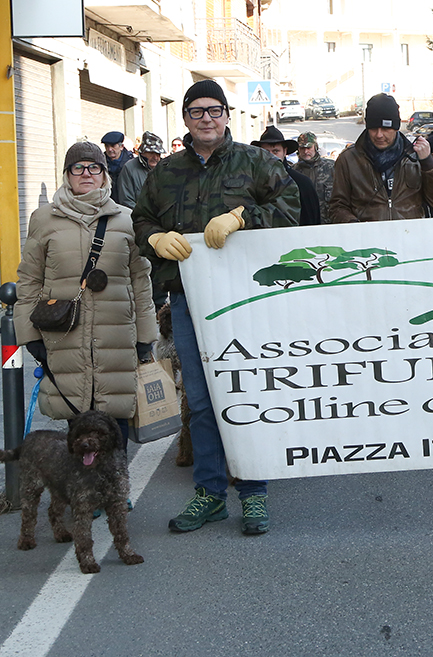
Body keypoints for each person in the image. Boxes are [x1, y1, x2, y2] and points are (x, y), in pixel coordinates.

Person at [132, 79, 300, 536]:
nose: (206, 118)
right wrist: (153, 238)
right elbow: (141, 216)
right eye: (196, 111)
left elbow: (291, 208)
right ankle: (208, 494)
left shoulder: (256, 161)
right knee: (203, 403)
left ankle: (254, 494)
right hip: (188, 300)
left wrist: (242, 218)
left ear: (226, 115)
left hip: (245, 299)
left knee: (245, 395)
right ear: (185, 119)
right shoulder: (165, 172)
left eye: (214, 110)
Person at [14, 141, 157, 450]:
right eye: (78, 168)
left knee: (116, 424)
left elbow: (141, 281)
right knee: (77, 429)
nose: (86, 174)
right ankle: (82, 495)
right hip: (64, 336)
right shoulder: (43, 219)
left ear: (105, 174)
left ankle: (117, 495)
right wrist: (29, 336)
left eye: (94, 167)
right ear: (67, 175)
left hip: (116, 336)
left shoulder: (127, 219)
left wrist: (146, 334)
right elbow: (29, 280)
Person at [328, 93, 433, 222]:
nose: (379, 135)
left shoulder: (415, 156)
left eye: (385, 129)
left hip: (408, 237)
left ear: (396, 128)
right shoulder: (348, 159)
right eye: (373, 128)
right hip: (368, 239)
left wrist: (427, 163)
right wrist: (354, 225)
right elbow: (336, 206)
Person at [253, 126, 321, 226]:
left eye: (276, 151)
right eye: (266, 152)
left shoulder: (302, 183)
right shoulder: (251, 183)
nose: (271, 156)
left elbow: (312, 224)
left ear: (285, 152)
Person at [114, 131, 167, 209]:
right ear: (143, 152)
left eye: (158, 154)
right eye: (151, 153)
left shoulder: (165, 168)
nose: (155, 157)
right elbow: (126, 200)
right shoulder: (129, 168)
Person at [293, 132, 334, 223]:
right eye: (302, 148)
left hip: (328, 223)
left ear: (315, 147)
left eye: (308, 148)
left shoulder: (331, 167)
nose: (305, 152)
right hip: (303, 223)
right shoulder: (293, 172)